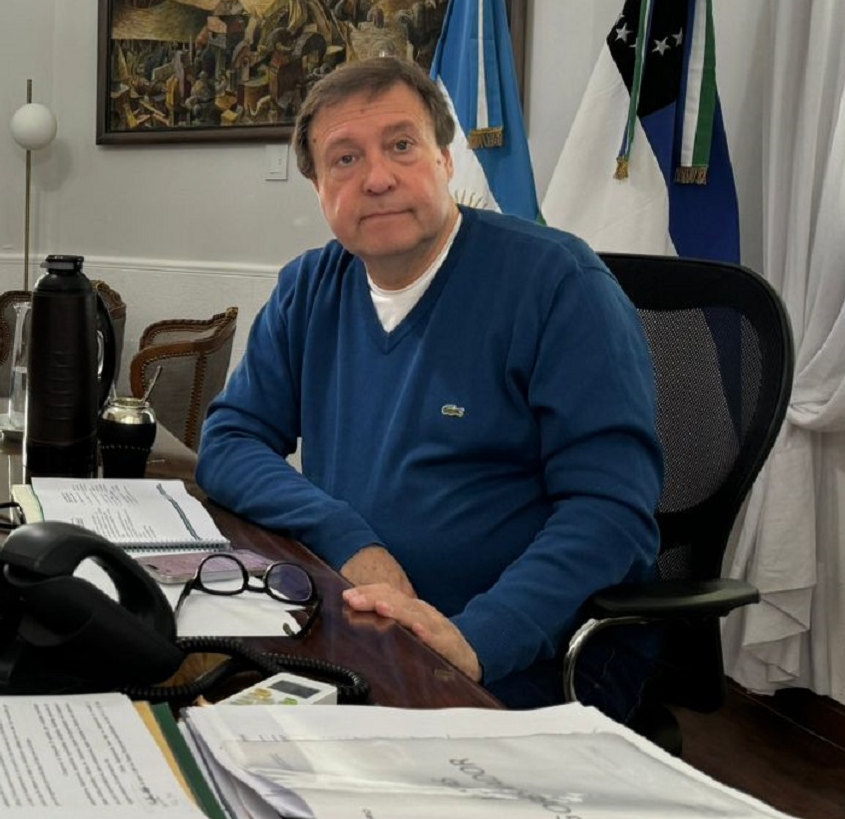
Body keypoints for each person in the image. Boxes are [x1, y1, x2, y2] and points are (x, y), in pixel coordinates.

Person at [195, 56, 663, 719]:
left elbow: (610, 512)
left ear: (445, 160)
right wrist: (351, 541)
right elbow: (231, 439)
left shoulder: (558, 285)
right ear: (320, 188)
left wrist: (474, 636)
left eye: (401, 146)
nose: (378, 177)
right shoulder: (308, 287)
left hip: (529, 653)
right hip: (359, 619)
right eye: (345, 159)